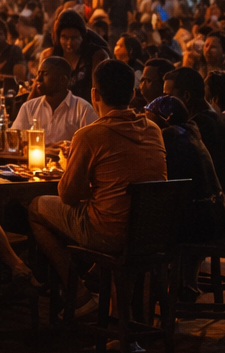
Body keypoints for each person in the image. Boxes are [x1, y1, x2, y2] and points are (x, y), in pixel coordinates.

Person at [28, 60, 167, 297]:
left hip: (109, 234)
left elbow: (68, 196)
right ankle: (94, 281)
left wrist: (68, 165)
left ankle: (79, 296)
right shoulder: (153, 129)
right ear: (132, 93)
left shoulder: (90, 135)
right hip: (151, 231)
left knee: (35, 208)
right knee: (99, 205)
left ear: (94, 94)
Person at [145, 95, 225, 243]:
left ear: (166, 118)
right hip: (216, 216)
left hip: (199, 224)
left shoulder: (170, 137)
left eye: (148, 118)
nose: (145, 124)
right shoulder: (190, 133)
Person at [164, 66, 225, 193]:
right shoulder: (223, 119)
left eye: (168, 96)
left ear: (186, 96)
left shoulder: (198, 127)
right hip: (221, 199)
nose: (164, 102)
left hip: (206, 205)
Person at [12, 55, 97, 145]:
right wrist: (47, 150)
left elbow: (93, 146)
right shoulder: (29, 107)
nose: (38, 79)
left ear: (62, 80)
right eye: (38, 73)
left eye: (45, 74)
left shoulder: (84, 110)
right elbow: (14, 142)